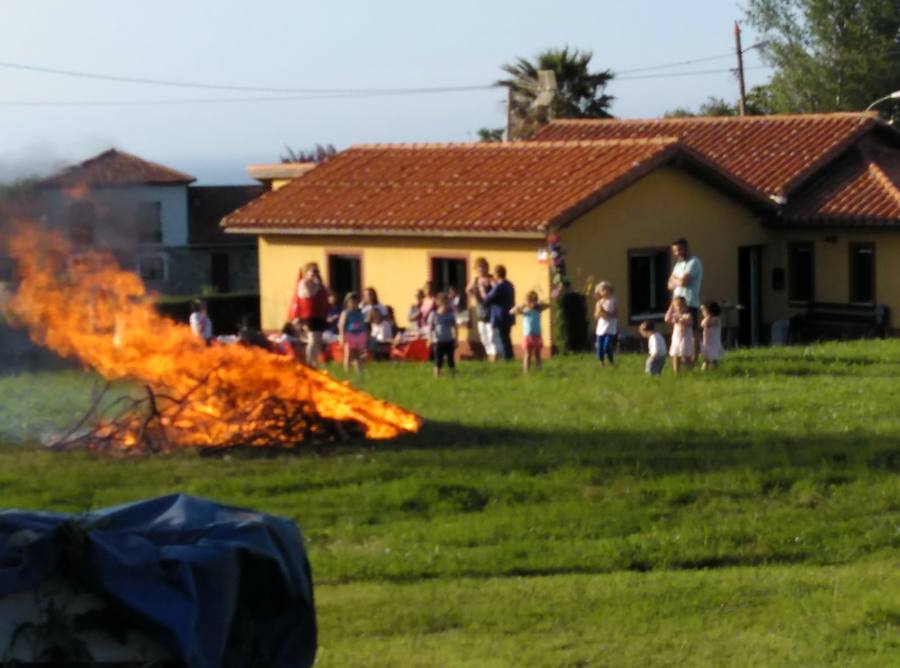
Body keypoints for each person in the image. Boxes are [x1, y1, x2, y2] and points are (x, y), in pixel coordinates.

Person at [667, 238, 703, 362]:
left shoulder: (694, 262)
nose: (676, 253)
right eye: (675, 251)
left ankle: (694, 358)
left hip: (690, 301)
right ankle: (682, 355)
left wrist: (678, 281)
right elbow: (669, 284)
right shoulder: (678, 264)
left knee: (692, 332)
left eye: (678, 250)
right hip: (676, 302)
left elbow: (683, 281)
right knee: (678, 330)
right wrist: (679, 281)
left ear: (686, 248)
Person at [296, 262, 330, 367]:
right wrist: (317, 285)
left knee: (318, 340)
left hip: (319, 314)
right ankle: (309, 362)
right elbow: (308, 294)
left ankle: (314, 362)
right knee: (312, 339)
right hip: (309, 314)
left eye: (317, 271)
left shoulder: (318, 283)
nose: (315, 274)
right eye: (313, 271)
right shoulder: (303, 283)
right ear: (307, 272)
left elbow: (327, 293)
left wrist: (320, 284)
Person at [482, 264, 515, 361]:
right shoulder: (509, 284)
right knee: (507, 339)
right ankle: (510, 358)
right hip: (508, 315)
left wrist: (483, 290)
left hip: (499, 316)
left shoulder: (498, 286)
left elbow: (487, 300)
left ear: (497, 274)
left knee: (500, 340)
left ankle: (505, 360)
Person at [511, 290, 549, 373]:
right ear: (527, 301)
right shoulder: (524, 310)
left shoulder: (538, 309)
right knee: (527, 354)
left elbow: (548, 305)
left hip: (537, 336)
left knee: (537, 354)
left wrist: (539, 304)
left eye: (534, 300)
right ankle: (526, 371)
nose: (532, 303)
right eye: (530, 300)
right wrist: (522, 305)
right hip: (527, 337)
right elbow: (511, 311)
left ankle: (539, 370)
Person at [467, 257, 497, 361]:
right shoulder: (475, 280)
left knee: (491, 334)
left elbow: (496, 290)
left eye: (483, 267)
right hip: (480, 310)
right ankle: (489, 355)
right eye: (479, 268)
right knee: (483, 336)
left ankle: (493, 357)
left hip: (490, 309)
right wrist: (475, 296)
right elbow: (467, 290)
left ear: (487, 267)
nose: (481, 270)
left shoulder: (491, 279)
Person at [427, 293, 458, 377]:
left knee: (450, 360)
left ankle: (453, 376)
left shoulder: (450, 315)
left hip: (449, 340)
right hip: (438, 341)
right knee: (438, 360)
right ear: (439, 304)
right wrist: (429, 339)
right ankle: (437, 376)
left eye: (447, 303)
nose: (446, 305)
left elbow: (455, 327)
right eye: (444, 303)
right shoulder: (434, 315)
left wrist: (456, 339)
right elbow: (430, 328)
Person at [338, 292, 367, 374]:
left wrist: (365, 334)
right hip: (350, 335)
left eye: (356, 302)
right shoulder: (346, 313)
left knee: (359, 355)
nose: (354, 304)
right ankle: (347, 371)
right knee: (349, 354)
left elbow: (363, 324)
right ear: (347, 303)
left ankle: (359, 371)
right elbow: (342, 325)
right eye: (352, 302)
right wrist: (342, 335)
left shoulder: (360, 313)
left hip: (360, 335)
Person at [665, 296, 694, 374]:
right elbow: (667, 318)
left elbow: (684, 321)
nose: (680, 307)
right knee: (676, 355)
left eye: (682, 305)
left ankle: (690, 370)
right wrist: (671, 307)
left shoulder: (687, 315)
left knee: (686, 356)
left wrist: (677, 319)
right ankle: (676, 372)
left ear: (686, 306)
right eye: (678, 305)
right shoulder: (675, 315)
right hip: (677, 338)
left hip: (685, 339)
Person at [594, 281, 618, 366]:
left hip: (610, 327)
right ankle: (601, 362)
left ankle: (611, 361)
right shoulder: (599, 302)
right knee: (599, 346)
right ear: (599, 292)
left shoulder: (613, 301)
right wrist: (599, 313)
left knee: (607, 345)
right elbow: (597, 315)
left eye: (606, 289)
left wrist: (605, 312)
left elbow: (615, 314)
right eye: (602, 290)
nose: (605, 291)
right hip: (601, 327)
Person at [700, 301, 725, 370]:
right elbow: (702, 324)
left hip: (714, 343)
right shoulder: (706, 319)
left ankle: (716, 369)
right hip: (707, 342)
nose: (703, 313)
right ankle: (704, 371)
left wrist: (708, 317)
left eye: (704, 311)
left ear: (710, 311)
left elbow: (706, 324)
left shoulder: (716, 319)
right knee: (706, 360)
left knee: (715, 359)